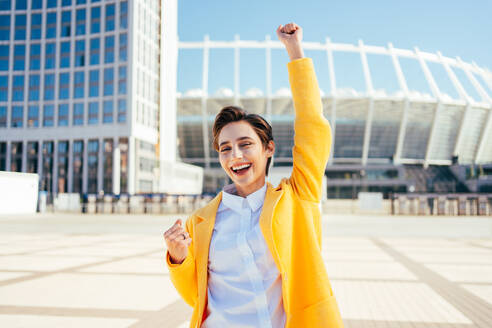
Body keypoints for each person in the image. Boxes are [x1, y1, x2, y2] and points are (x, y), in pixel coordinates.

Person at [164, 23, 344, 328]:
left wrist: (294, 51)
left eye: (245, 145)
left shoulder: (297, 197)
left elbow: (314, 127)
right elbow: (197, 297)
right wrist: (178, 258)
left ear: (268, 148)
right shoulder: (201, 221)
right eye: (225, 148)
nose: (235, 156)